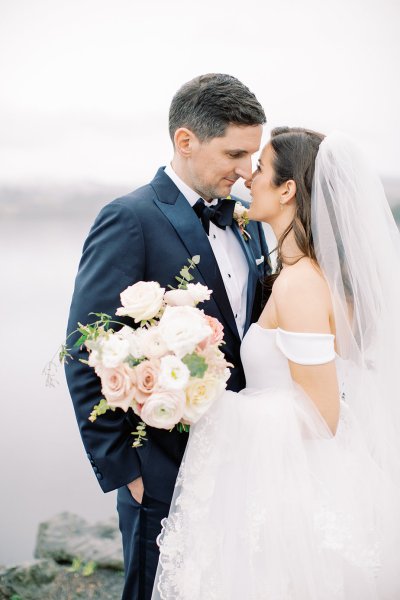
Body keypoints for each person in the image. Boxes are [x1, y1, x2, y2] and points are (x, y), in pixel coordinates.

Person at [152, 128, 400, 599]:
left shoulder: (301, 284)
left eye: (260, 168)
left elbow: (322, 416)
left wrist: (211, 404)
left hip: (298, 492)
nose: (248, 178)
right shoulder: (297, 274)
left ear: (287, 189)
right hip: (289, 481)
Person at [65, 73, 269, 600]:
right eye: (235, 154)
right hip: (162, 468)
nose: (247, 172)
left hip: (244, 459)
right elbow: (86, 346)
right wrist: (127, 472)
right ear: (186, 141)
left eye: (253, 155)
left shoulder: (249, 223)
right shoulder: (129, 218)